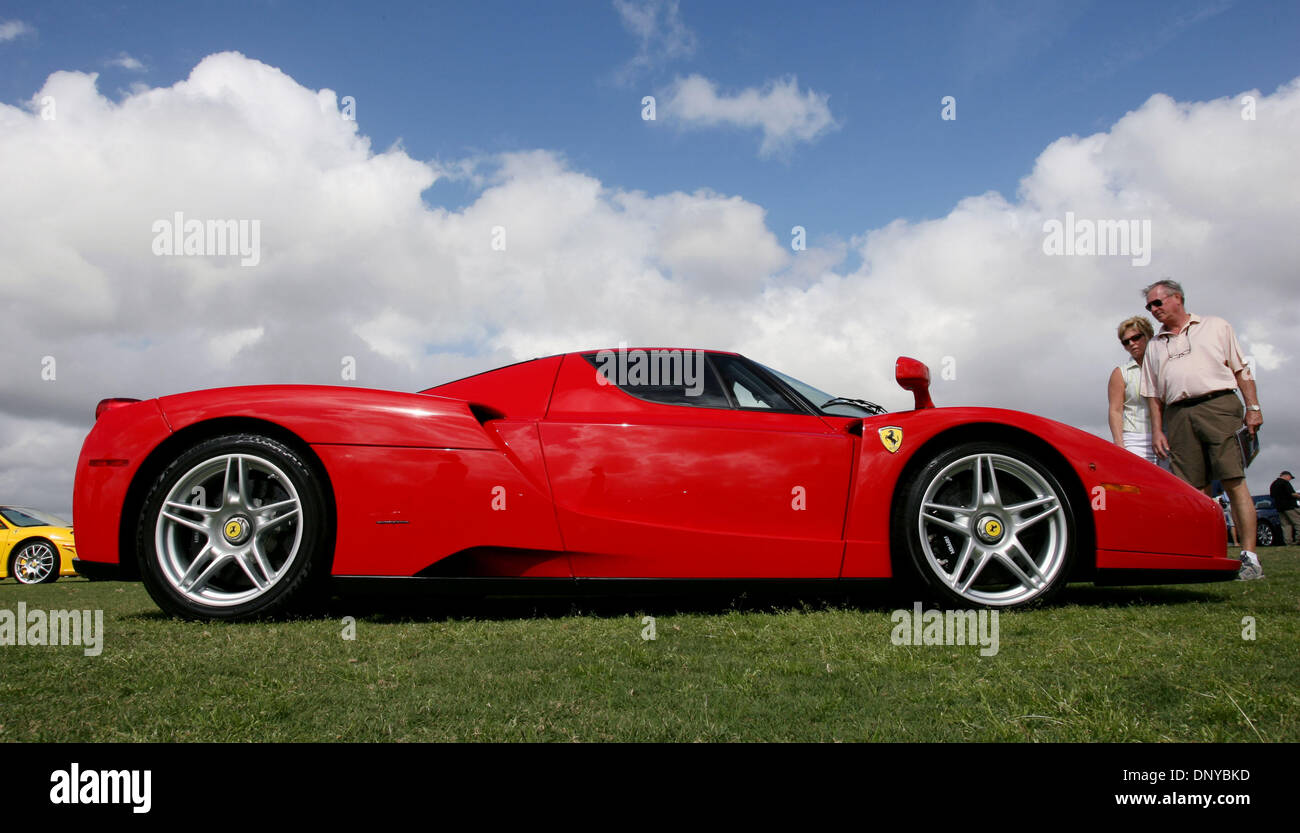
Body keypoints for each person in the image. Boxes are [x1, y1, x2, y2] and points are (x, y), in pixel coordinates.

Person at [1139, 279, 1264, 580]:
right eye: (1149, 306)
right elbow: (1153, 396)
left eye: (1158, 303)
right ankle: (1206, 556)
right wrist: (1158, 430)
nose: (1153, 310)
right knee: (1192, 491)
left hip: (1219, 405)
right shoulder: (1154, 346)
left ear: (1177, 299)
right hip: (1179, 414)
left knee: (1233, 480)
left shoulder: (1216, 326)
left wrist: (1254, 408)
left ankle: (1250, 558)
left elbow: (1241, 370)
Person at [1107, 316, 1165, 466]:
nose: (1131, 344)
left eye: (1136, 338)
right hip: (1135, 439)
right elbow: (1115, 410)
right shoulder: (1121, 373)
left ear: (1148, 335)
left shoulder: (1165, 366)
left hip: (1167, 435)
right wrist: (1119, 444)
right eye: (1126, 342)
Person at [1270, 471, 1300, 545]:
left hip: (1280, 508)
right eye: (1290, 477)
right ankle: (1298, 540)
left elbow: (1272, 495)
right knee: (1298, 523)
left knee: (1286, 525)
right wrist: (1298, 496)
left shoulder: (1273, 484)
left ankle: (1288, 542)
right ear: (1286, 476)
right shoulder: (1285, 483)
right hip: (1290, 507)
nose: (1290, 479)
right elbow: (1292, 494)